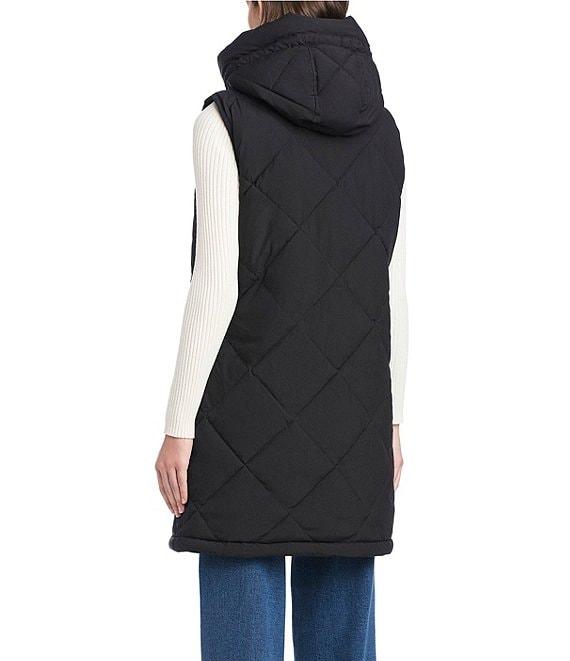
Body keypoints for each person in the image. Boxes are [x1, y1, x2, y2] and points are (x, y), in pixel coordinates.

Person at [155, 2, 407, 659]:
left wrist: (178, 424)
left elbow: (215, 284)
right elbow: (391, 290)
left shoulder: (224, 121)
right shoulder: (381, 128)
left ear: (260, 5)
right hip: (352, 423)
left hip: (243, 422)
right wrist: (392, 424)